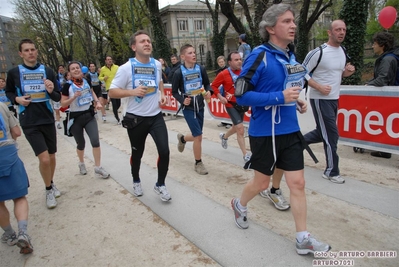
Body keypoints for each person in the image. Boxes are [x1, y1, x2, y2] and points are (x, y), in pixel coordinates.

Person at [231, 4, 330, 255]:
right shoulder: (259, 55)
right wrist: (280, 97)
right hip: (265, 133)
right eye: (286, 21)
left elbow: (287, 87)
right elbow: (241, 96)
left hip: (290, 130)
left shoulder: (291, 56)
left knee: (297, 183)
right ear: (271, 28)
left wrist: (294, 99)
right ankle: (239, 204)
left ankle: (302, 238)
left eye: (293, 21)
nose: (293, 25)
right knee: (262, 184)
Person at [108, 30, 171, 202]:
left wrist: (162, 93)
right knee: (138, 154)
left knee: (164, 151)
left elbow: (159, 81)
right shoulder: (126, 68)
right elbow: (112, 92)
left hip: (156, 117)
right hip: (136, 119)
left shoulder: (157, 65)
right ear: (134, 46)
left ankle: (160, 184)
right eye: (142, 41)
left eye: (149, 41)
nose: (147, 43)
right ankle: (136, 180)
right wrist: (132, 91)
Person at [6, 38, 62, 209]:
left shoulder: (48, 71)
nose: (30, 53)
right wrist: (17, 99)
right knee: (44, 159)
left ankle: (51, 182)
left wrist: (52, 91)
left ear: (37, 51)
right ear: (20, 53)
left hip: (47, 118)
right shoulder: (14, 72)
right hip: (29, 121)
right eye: (27, 50)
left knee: (51, 157)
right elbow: (8, 91)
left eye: (33, 49)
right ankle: (48, 190)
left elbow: (58, 97)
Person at [302, 20, 355, 183]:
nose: (341, 32)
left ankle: (294, 143)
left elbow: (338, 75)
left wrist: (347, 72)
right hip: (320, 99)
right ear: (329, 32)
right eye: (338, 29)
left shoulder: (343, 51)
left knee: (322, 132)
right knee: (331, 134)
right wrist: (318, 86)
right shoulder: (318, 52)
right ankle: (331, 171)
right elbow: (301, 72)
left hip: (334, 99)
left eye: (344, 29)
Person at [60, 61, 110, 179]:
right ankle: (81, 163)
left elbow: (91, 92)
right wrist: (73, 97)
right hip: (76, 118)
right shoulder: (67, 86)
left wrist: (97, 102)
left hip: (89, 116)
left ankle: (98, 167)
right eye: (73, 69)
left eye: (78, 68)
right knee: (81, 143)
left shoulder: (86, 81)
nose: (76, 70)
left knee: (95, 141)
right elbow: (63, 103)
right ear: (70, 72)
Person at [172, 44, 213, 175]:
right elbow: (174, 92)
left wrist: (208, 92)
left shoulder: (201, 68)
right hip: (188, 107)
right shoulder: (178, 72)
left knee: (197, 134)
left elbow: (207, 84)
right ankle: (198, 163)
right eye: (190, 53)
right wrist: (182, 100)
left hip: (200, 105)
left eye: (194, 52)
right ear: (183, 57)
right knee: (199, 136)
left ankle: (183, 139)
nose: (194, 55)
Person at [0, 102, 33, 254]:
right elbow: (17, 132)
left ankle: (10, 234)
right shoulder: (1, 105)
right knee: (19, 197)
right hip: (7, 152)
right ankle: (23, 232)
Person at [211, 51, 251, 162]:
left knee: (235, 127)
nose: (239, 62)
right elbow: (214, 86)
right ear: (229, 62)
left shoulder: (244, 72)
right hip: (230, 104)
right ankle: (245, 155)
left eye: (240, 59)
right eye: (236, 60)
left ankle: (224, 137)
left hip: (242, 104)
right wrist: (220, 97)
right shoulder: (223, 73)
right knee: (240, 129)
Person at [366, 32, 398, 159]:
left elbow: (382, 79)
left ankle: (385, 150)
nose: (373, 46)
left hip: (390, 97)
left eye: (374, 43)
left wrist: (367, 85)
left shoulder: (387, 59)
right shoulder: (391, 57)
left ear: (382, 45)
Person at [99, 56, 120, 124]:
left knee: (118, 103)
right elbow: (99, 77)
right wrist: (103, 78)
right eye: (108, 60)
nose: (109, 61)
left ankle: (115, 111)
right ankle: (118, 119)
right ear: (105, 61)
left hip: (117, 86)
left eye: (110, 59)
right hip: (110, 88)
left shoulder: (116, 67)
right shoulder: (103, 69)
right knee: (114, 103)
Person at [215, 55, 232, 129]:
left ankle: (230, 122)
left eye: (222, 62)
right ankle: (223, 121)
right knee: (223, 107)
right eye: (219, 62)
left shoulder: (229, 70)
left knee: (229, 107)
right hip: (220, 91)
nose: (221, 63)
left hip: (227, 91)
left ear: (224, 62)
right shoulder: (218, 71)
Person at [54, 65, 66, 129]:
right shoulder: (56, 77)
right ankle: (58, 123)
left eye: (62, 68)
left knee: (67, 109)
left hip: (66, 94)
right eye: (59, 68)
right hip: (58, 94)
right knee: (57, 110)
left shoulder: (66, 75)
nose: (61, 69)